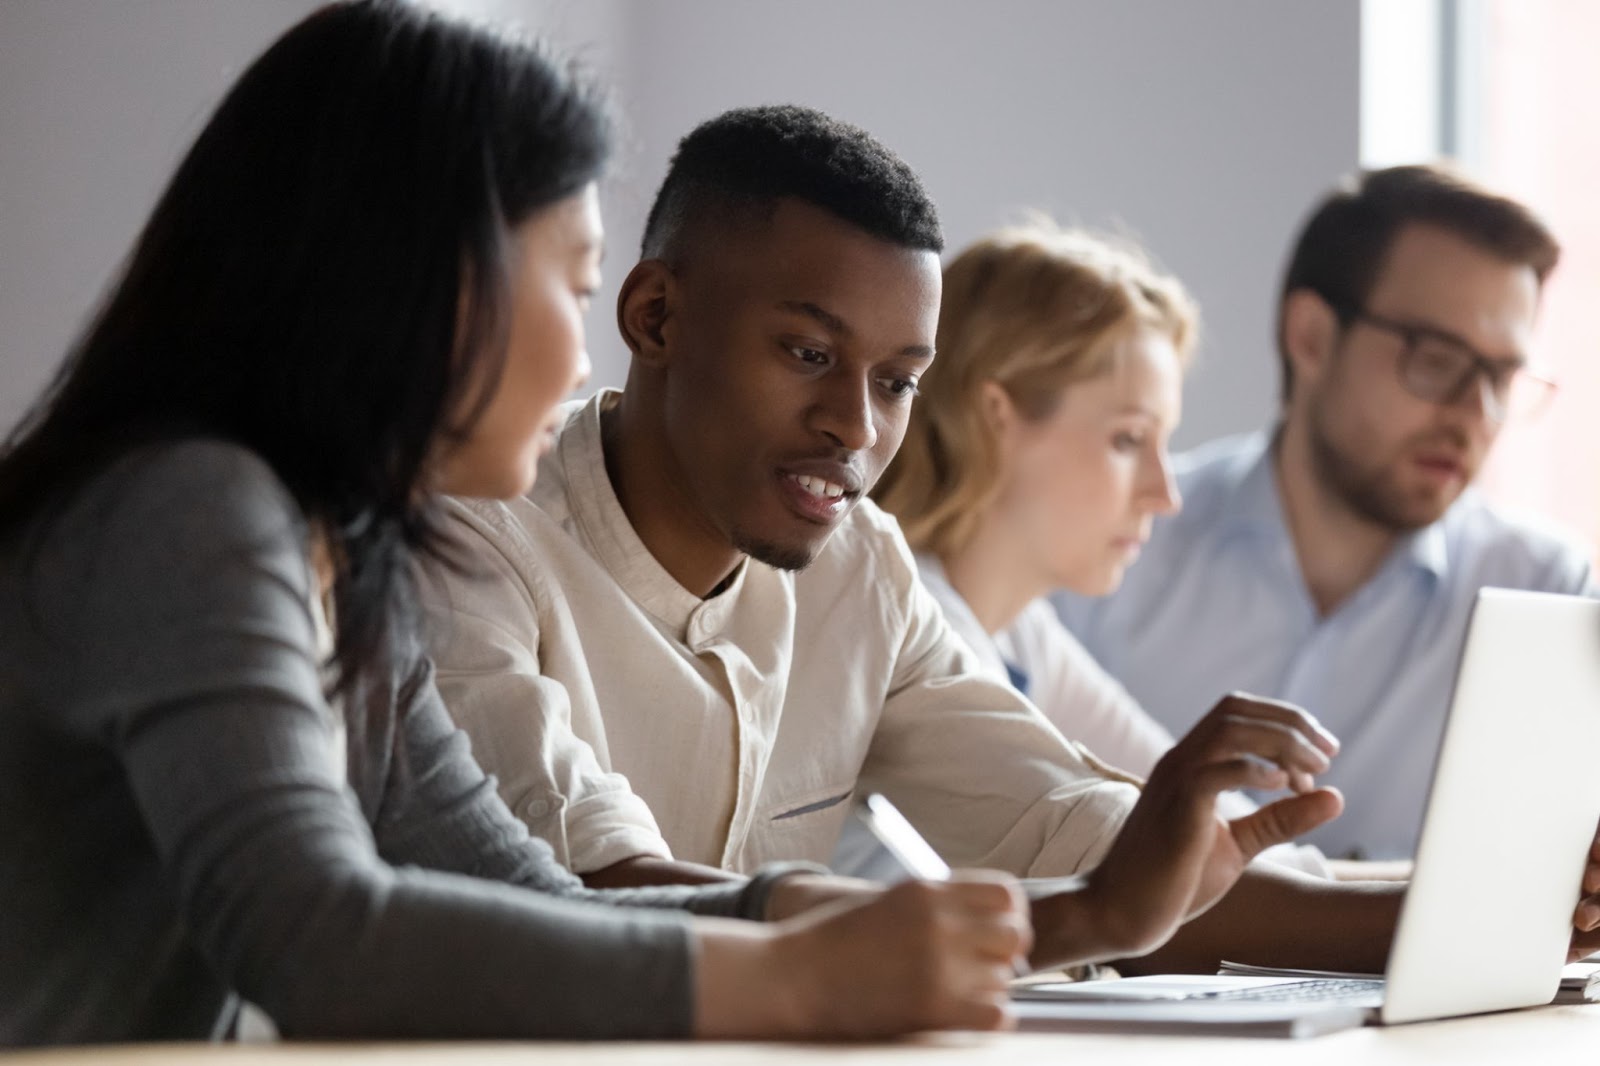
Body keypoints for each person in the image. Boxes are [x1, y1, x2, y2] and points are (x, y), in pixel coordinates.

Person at [0, 2, 1042, 1045]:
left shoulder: (342, 551)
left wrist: (770, 911)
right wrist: (793, 979)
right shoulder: (189, 509)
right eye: (578, 282)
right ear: (429, 274)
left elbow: (529, 892)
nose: (591, 360)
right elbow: (312, 935)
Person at [420, 103, 1507, 979]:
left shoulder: (860, 568)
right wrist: (1089, 914)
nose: (855, 427)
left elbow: (1077, 837)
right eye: (806, 353)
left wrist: (1509, 923)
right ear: (654, 316)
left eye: (896, 383)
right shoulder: (475, 544)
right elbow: (596, 894)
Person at [1054, 164, 1597, 861]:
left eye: (1500, 377)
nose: (1475, 416)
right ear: (1310, 336)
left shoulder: (1543, 591)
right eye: (1437, 360)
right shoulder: (1120, 541)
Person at [865, 220, 1336, 880]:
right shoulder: (912, 619)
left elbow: (1222, 831)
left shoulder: (1023, 635)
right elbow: (1137, 858)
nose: (1164, 493)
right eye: (1127, 440)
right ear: (994, 418)